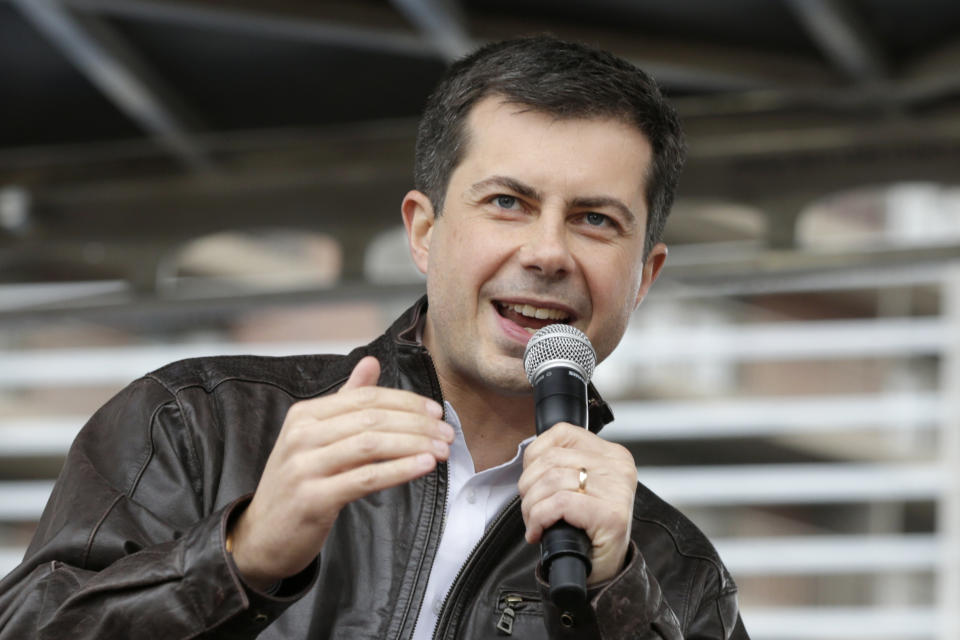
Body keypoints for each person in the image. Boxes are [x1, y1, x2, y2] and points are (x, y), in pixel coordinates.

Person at [0, 36, 748, 639]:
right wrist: (242, 556)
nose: (548, 252)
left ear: (644, 277)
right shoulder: (196, 422)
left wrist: (617, 601)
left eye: (595, 220)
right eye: (508, 202)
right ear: (424, 231)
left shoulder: (675, 571)